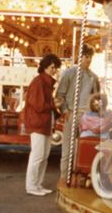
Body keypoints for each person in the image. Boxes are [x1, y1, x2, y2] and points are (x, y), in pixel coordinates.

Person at [55, 45, 100, 182]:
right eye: (86, 56)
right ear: (80, 57)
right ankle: (64, 176)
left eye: (90, 56)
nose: (89, 59)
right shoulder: (69, 73)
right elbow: (60, 94)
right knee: (68, 147)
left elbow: (96, 97)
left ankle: (80, 175)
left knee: (84, 146)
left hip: (87, 116)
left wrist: (96, 110)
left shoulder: (93, 77)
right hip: (72, 112)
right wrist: (64, 110)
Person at [25, 53, 61, 196]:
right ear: (45, 67)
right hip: (38, 124)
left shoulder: (45, 83)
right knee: (37, 156)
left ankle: (38, 184)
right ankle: (31, 186)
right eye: (53, 67)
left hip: (44, 123)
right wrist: (54, 104)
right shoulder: (39, 82)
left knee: (44, 156)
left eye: (56, 68)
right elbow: (38, 105)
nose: (54, 70)